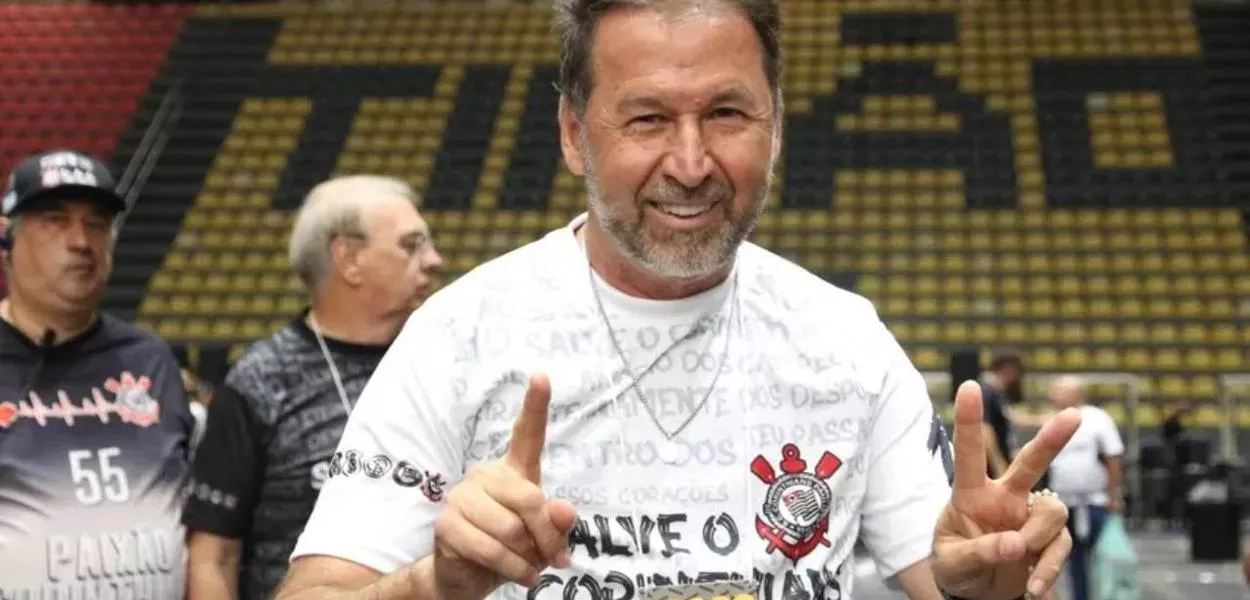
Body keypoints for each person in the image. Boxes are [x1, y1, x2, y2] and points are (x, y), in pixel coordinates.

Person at [275, 2, 1079, 600]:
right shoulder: (457, 336)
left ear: (776, 125)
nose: (690, 163)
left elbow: (959, 578)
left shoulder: (846, 340)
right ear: (571, 133)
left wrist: (996, 584)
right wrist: (431, 585)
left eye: (727, 114)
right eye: (648, 118)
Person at [182, 175, 444, 600]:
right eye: (411, 245)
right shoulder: (263, 380)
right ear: (349, 259)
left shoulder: (441, 362)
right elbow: (214, 554)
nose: (434, 260)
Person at [0, 149, 195, 597]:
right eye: (55, 220)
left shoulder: (150, 359)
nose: (81, 241)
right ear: (7, 236)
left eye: (97, 224)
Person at [1044, 376, 1125, 600]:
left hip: (1095, 501)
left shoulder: (1098, 418)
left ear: (1076, 394)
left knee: (1105, 555)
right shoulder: (1052, 420)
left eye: (1058, 391)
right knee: (1073, 557)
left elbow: (1113, 457)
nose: (1052, 396)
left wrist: (1115, 494)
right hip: (1064, 502)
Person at [980, 349, 1026, 478]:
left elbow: (1010, 420)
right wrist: (999, 465)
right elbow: (984, 429)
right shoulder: (988, 392)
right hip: (990, 467)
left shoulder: (998, 393)